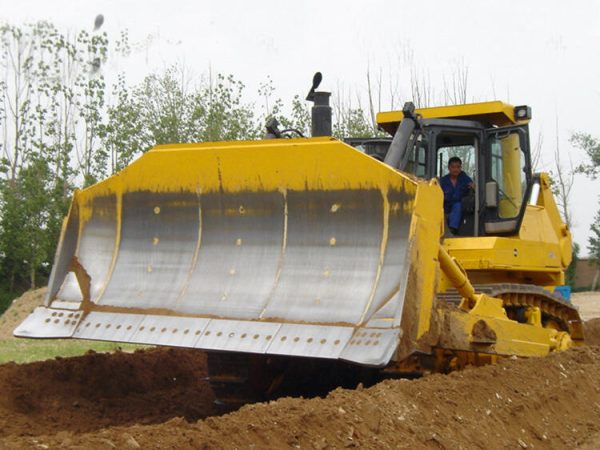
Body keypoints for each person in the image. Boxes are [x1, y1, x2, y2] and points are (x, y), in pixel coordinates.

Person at [440, 156, 474, 235]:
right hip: (445, 208)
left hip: (459, 210)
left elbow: (473, 188)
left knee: (458, 205)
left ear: (460, 168)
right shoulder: (443, 181)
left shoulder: (465, 179)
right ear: (449, 168)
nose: (455, 169)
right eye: (453, 167)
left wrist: (474, 187)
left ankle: (453, 230)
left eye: (458, 167)